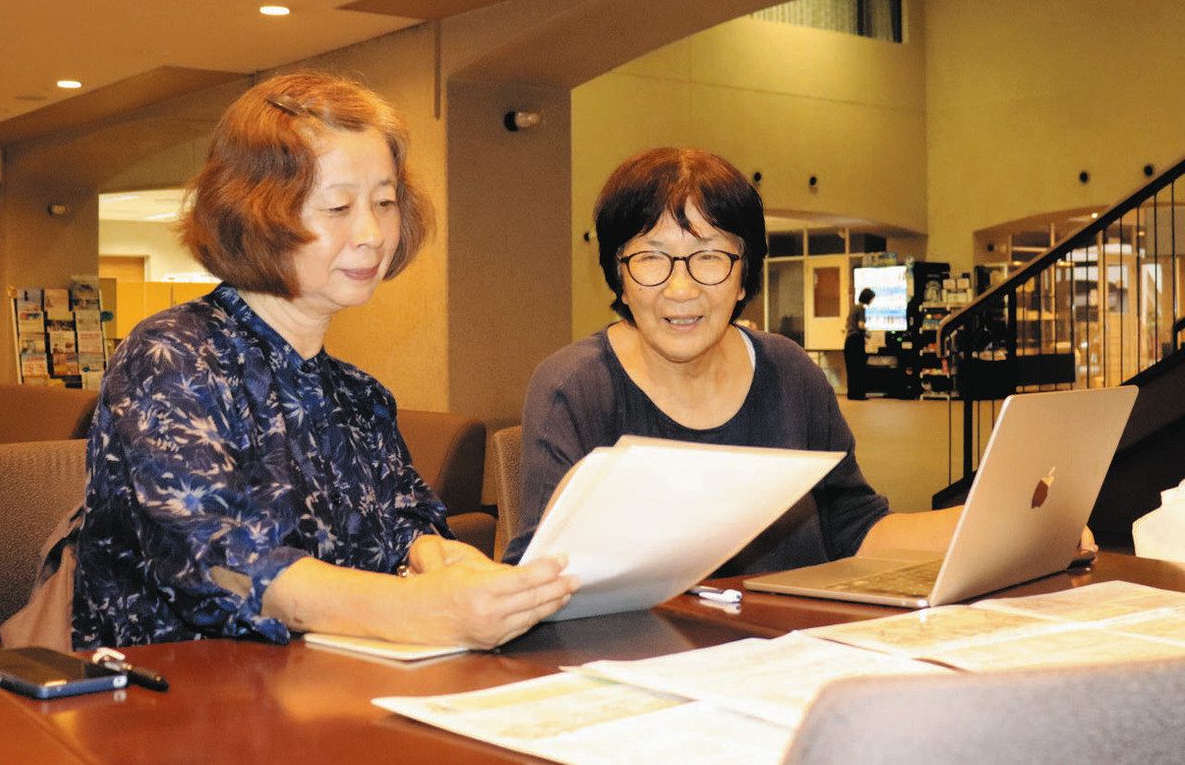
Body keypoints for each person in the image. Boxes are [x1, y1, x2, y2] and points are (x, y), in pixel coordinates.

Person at [73, 71, 577, 650]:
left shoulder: (357, 394)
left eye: (385, 202)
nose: (371, 233)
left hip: (323, 695)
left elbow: (406, 527)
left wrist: (444, 562)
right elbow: (221, 566)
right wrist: (417, 608)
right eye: (337, 207)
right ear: (255, 212)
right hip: (172, 704)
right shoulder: (172, 356)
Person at [503, 147, 965, 571]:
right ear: (618, 276)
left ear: (744, 276)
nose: (681, 289)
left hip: (790, 648)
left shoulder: (789, 373)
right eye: (650, 257)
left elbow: (855, 528)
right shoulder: (576, 387)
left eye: (709, 257)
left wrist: (989, 519)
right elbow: (538, 576)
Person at [843, 287, 875, 400]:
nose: (872, 301)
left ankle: (852, 393)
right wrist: (868, 333)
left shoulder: (853, 308)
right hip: (856, 340)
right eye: (872, 299)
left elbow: (848, 324)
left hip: (849, 340)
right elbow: (861, 325)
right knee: (859, 368)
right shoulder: (861, 308)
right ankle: (859, 394)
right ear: (868, 298)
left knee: (851, 368)